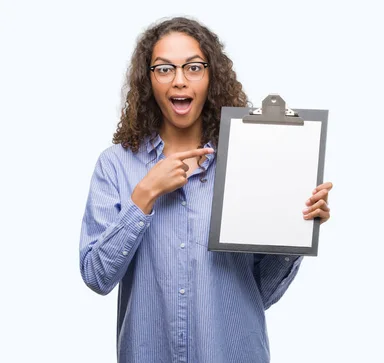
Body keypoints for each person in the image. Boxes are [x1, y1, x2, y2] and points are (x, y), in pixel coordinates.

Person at [78, 16, 333, 363]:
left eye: (193, 67)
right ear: (148, 79)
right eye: (165, 69)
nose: (180, 80)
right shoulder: (115, 165)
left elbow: (257, 293)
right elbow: (97, 275)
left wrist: (297, 227)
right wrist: (144, 195)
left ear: (211, 77)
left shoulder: (250, 160)